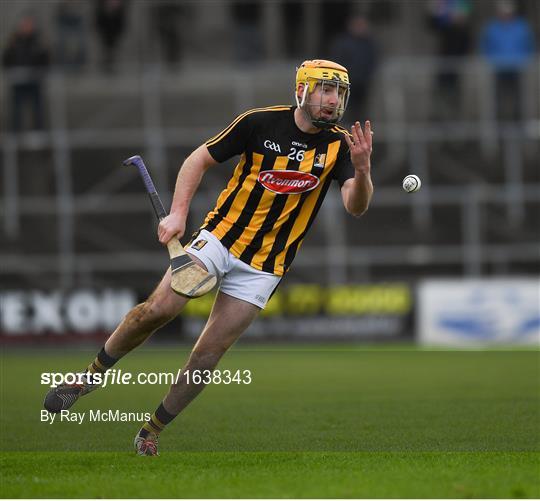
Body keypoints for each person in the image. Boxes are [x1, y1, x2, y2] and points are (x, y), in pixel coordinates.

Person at [43, 60, 374, 456]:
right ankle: (87, 378)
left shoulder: (341, 147)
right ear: (302, 90)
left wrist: (363, 171)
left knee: (208, 353)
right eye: (325, 89)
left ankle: (151, 430)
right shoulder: (259, 123)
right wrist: (179, 214)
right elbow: (197, 160)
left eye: (338, 92)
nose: (332, 100)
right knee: (157, 310)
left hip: (265, 267)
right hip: (220, 239)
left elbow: (356, 207)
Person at [479, 0, 535, 122]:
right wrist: (489, 61)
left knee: (519, 103)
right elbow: (485, 47)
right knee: (497, 103)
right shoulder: (492, 27)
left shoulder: (522, 27)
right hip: (498, 70)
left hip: (517, 70)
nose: (506, 16)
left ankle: (518, 130)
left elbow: (529, 46)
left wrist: (526, 60)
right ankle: (500, 132)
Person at [2, 15, 50, 132]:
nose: (26, 28)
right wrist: (9, 48)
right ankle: (15, 132)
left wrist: (44, 51)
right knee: (16, 109)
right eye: (24, 25)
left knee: (37, 108)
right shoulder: (14, 42)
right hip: (18, 82)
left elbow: (45, 61)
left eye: (29, 25)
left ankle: (39, 132)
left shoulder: (38, 42)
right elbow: (6, 61)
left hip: (34, 81)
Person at [329, 14, 378, 124]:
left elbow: (373, 60)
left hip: (363, 82)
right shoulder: (343, 42)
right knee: (344, 107)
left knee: (361, 109)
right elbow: (338, 60)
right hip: (346, 82)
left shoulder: (369, 43)